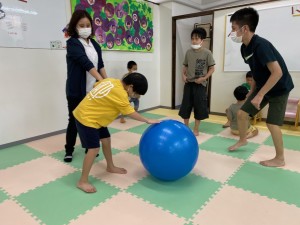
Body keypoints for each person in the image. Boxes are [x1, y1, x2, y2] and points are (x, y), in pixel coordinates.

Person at [228, 7, 294, 167]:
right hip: (263, 85)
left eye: (233, 28)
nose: (231, 33)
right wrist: (253, 92)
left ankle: (280, 158)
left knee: (272, 123)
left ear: (244, 29)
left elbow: (277, 73)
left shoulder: (261, 45)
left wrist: (259, 96)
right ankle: (243, 140)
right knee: (243, 114)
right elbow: (257, 72)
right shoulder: (244, 48)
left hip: (279, 88)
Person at [73, 73, 159, 193]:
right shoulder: (121, 93)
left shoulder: (112, 81)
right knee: (93, 149)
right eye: (136, 93)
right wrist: (147, 120)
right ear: (130, 86)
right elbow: (130, 112)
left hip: (97, 118)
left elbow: (96, 85)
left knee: (106, 139)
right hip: (86, 118)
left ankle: (110, 166)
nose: (136, 96)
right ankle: (82, 181)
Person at [64, 10, 108, 163]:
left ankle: (90, 147)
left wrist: (106, 82)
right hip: (76, 91)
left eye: (88, 25)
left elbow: (100, 64)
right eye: (81, 25)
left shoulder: (95, 44)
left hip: (93, 91)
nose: (85, 28)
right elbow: (85, 63)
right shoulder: (72, 43)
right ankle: (69, 149)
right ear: (75, 27)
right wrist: (100, 79)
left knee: (91, 120)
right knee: (74, 120)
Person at [178, 28, 215, 136]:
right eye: (192, 38)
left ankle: (196, 128)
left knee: (199, 106)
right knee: (186, 106)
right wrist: (183, 75)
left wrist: (204, 78)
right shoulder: (188, 52)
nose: (194, 41)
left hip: (200, 85)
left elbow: (212, 68)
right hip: (189, 83)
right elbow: (185, 66)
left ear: (202, 40)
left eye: (197, 38)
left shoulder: (207, 53)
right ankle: (186, 127)